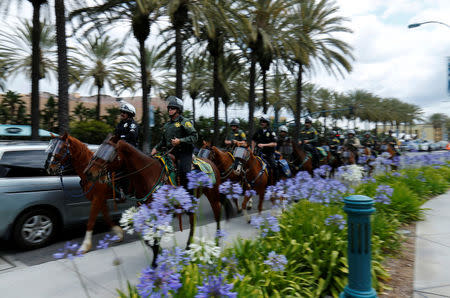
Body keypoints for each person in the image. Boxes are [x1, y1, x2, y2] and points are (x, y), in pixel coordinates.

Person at [151, 96, 198, 188]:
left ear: (178, 109)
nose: (170, 110)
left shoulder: (184, 121)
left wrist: (180, 141)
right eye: (169, 108)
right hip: (170, 152)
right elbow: (163, 141)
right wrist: (155, 148)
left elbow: (194, 136)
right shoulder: (167, 125)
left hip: (184, 152)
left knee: (185, 172)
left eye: (172, 108)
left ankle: (189, 195)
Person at [251, 116, 278, 183]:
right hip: (259, 153)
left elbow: (274, 144)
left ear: (267, 123)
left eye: (264, 122)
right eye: (261, 121)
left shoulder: (271, 132)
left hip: (269, 154)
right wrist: (252, 149)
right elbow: (253, 140)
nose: (262, 123)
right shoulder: (258, 131)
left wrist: (264, 145)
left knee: (274, 166)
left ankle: (275, 182)